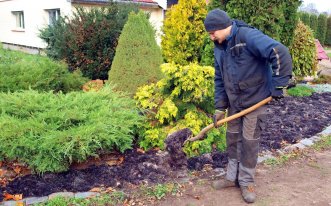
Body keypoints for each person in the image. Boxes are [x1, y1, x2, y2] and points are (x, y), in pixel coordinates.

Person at [203, 9, 293, 203]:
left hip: (255, 101)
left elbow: (279, 52)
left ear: (223, 27)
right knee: (232, 139)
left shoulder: (248, 36)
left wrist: (279, 84)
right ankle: (231, 177)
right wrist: (220, 107)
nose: (211, 37)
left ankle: (246, 181)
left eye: (212, 32)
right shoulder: (219, 46)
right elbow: (220, 79)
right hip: (236, 103)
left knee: (249, 142)